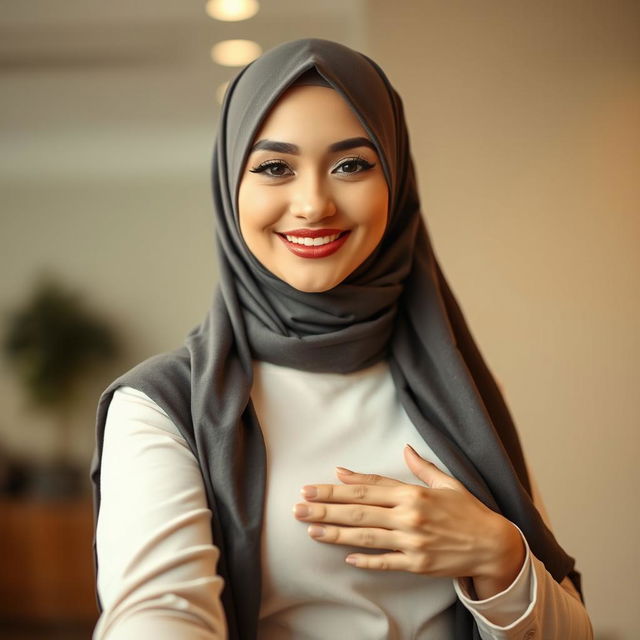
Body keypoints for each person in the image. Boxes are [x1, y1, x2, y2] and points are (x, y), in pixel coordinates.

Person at [90, 39, 594, 639]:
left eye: (352, 164)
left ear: (397, 181)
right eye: (275, 167)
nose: (313, 204)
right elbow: (158, 615)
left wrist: (499, 556)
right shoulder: (161, 406)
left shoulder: (466, 391)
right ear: (230, 188)